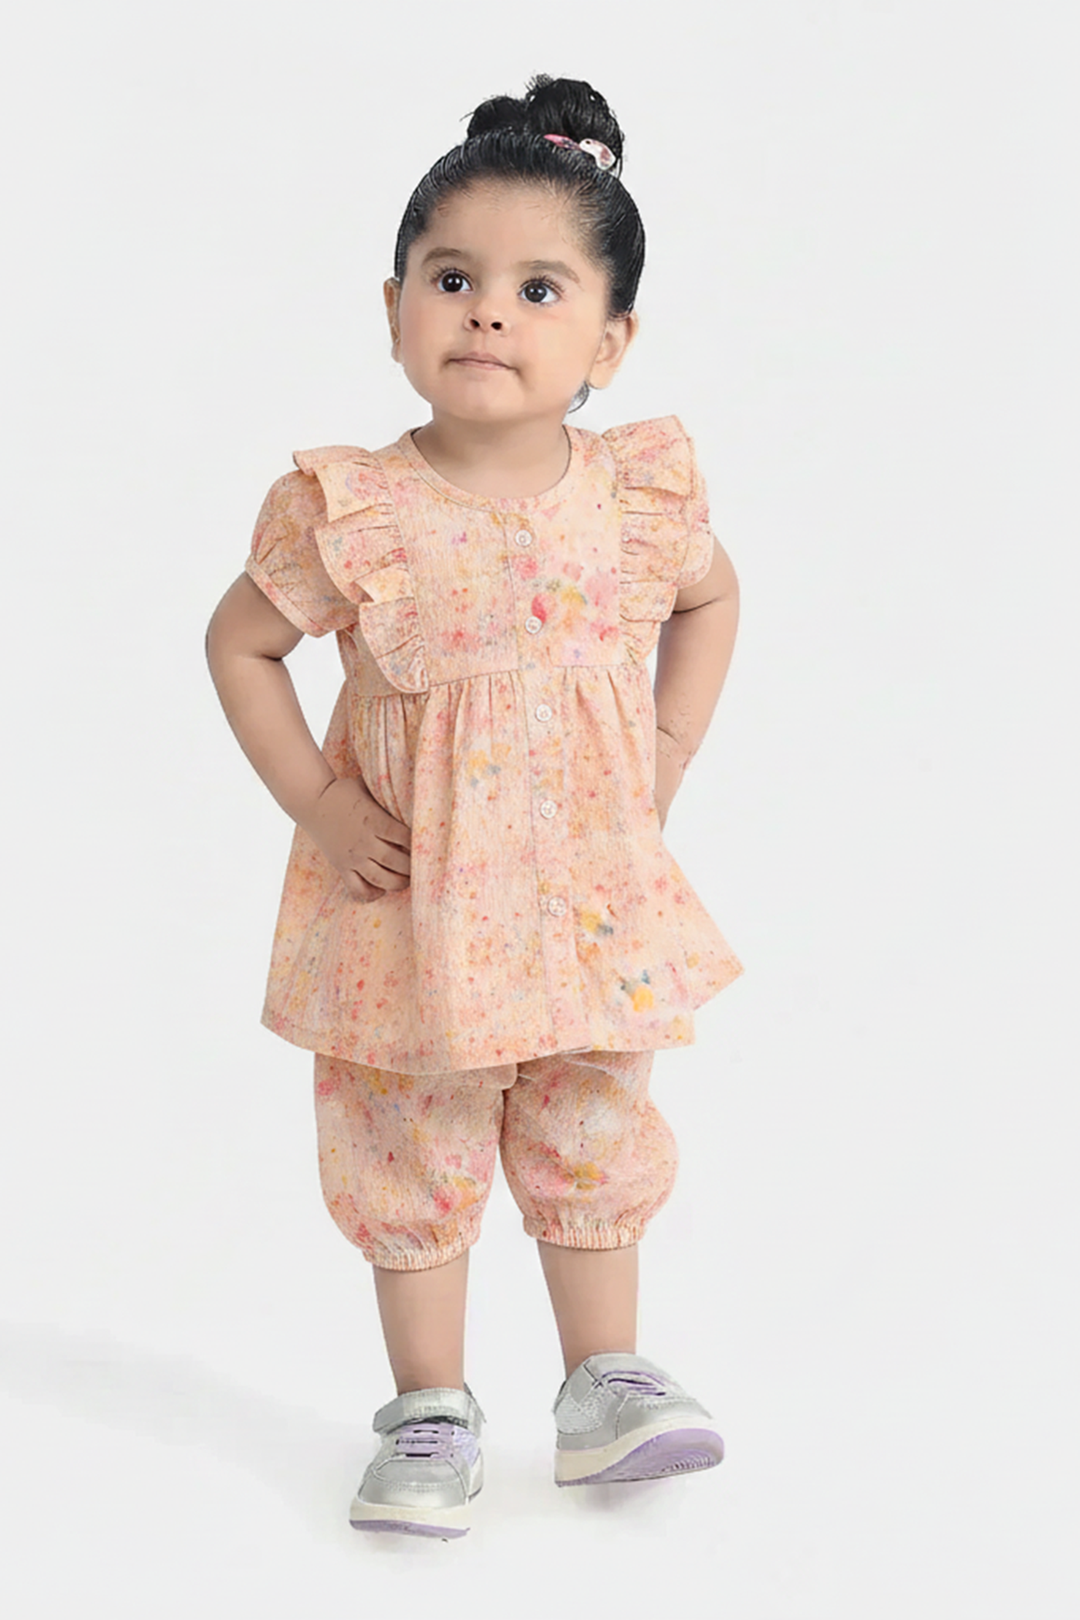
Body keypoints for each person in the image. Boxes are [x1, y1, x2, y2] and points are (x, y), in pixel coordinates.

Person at [205, 73, 744, 1540]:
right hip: (412, 908)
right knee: (410, 1139)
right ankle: (430, 1409)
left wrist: (665, 751)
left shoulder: (631, 498)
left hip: (584, 900)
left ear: (609, 341)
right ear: (395, 311)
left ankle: (605, 1380)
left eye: (537, 288)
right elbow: (240, 646)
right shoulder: (353, 509)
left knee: (593, 1116)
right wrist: (319, 802)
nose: (488, 315)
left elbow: (712, 599)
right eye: (453, 280)